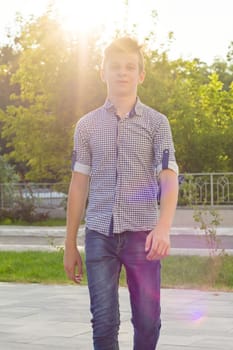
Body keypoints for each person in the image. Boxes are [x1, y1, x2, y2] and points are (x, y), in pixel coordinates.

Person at [64, 37, 179, 350]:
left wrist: (164, 227)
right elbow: (78, 184)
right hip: (99, 233)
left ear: (141, 75)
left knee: (147, 320)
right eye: (115, 67)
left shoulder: (157, 123)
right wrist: (70, 243)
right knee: (103, 322)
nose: (122, 73)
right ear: (103, 72)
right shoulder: (86, 126)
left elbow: (168, 176)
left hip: (144, 234)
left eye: (130, 67)